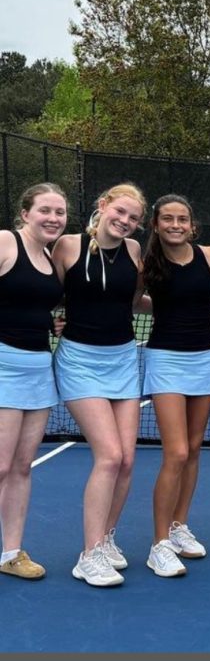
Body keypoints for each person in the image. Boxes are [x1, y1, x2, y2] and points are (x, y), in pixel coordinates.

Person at [52, 183, 148, 586]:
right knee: (108, 456)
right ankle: (88, 555)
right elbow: (46, 293)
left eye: (134, 218)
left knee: (127, 459)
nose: (125, 222)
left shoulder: (133, 252)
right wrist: (48, 321)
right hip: (79, 360)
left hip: (123, 358)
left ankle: (106, 539)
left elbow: (135, 301)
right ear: (103, 205)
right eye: (120, 212)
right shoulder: (67, 247)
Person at [142, 195, 210, 576]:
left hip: (204, 359)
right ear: (156, 224)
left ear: (193, 225)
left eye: (182, 219)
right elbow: (130, 303)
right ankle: (158, 544)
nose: (175, 225)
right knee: (175, 452)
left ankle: (179, 526)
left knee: (193, 449)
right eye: (168, 219)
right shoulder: (146, 264)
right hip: (164, 359)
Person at [0, 183, 67, 580]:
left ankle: (11, 552)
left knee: (23, 465)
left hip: (39, 366)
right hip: (3, 363)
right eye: (45, 210)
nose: (53, 218)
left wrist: (48, 323)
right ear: (25, 213)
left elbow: (24, 302)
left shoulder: (48, 256)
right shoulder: (6, 243)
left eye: (59, 212)